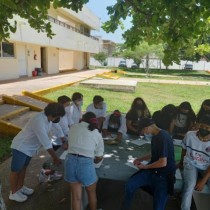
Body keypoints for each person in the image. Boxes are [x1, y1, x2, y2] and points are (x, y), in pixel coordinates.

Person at [9, 103, 65, 202]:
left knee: (23, 168)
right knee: (16, 170)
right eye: (58, 116)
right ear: (53, 114)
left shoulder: (48, 118)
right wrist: (55, 157)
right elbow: (45, 142)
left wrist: (63, 139)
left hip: (29, 148)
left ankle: (20, 187)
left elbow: (56, 127)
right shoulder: (38, 120)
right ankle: (13, 193)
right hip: (21, 147)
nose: (58, 118)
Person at [121, 118, 176, 210]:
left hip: (163, 177)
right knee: (130, 185)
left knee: (158, 206)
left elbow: (163, 162)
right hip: (152, 172)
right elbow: (154, 153)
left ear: (147, 127)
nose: (143, 133)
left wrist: (145, 167)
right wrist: (140, 159)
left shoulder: (163, 137)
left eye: (143, 130)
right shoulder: (155, 136)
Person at [64, 112, 104, 210]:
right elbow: (99, 156)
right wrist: (95, 160)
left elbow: (69, 143)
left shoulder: (73, 127)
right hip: (85, 164)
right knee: (91, 192)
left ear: (82, 118)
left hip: (70, 162)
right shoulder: (96, 133)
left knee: (76, 197)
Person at [178, 116, 210, 210]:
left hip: (207, 166)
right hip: (191, 163)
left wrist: (203, 180)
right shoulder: (190, 135)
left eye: (207, 128)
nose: (204, 129)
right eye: (202, 127)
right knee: (189, 185)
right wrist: (181, 162)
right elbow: (184, 149)